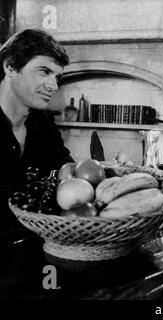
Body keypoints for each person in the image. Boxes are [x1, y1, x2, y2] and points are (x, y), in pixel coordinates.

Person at [0, 29, 74, 232]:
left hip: (38, 241)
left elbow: (67, 171)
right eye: (44, 71)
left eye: (57, 77)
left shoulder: (44, 122)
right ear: (10, 67)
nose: (53, 86)